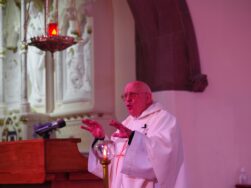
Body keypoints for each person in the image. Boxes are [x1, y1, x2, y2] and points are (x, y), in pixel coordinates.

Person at [80, 81, 186, 188]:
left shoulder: (164, 119)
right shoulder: (127, 122)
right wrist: (101, 138)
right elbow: (110, 159)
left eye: (133, 94)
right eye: (125, 96)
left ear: (148, 97)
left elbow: (164, 155)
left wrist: (133, 137)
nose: (128, 99)